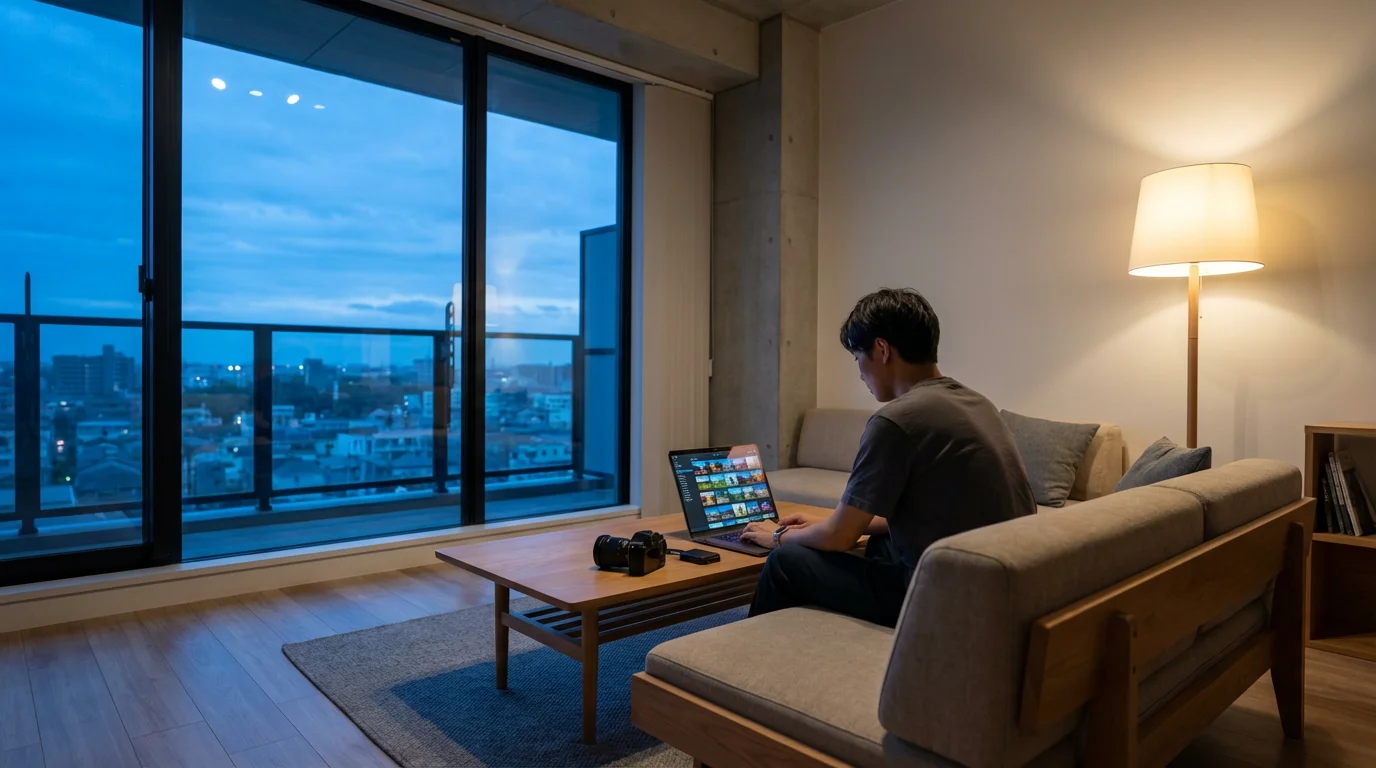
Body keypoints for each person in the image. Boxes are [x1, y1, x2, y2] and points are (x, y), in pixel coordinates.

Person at [740, 288, 1035, 627]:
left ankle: (736, 666)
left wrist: (777, 536)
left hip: (943, 596)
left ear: (881, 350)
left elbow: (841, 537)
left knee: (784, 561)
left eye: (857, 357)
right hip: (999, 583)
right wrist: (824, 526)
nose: (860, 372)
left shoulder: (896, 420)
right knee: (882, 541)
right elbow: (940, 509)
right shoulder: (976, 403)